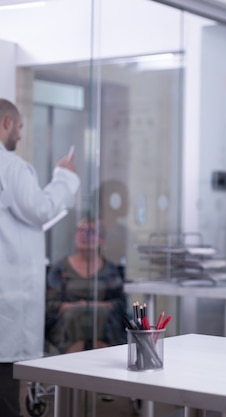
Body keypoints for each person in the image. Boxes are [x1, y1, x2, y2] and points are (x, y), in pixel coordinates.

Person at [0, 98, 79, 417]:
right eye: (19, 128)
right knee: (4, 397)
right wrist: (64, 178)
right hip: (7, 298)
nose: (19, 135)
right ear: (7, 123)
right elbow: (41, 209)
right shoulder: (10, 166)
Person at [45, 217, 127, 354]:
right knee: (73, 314)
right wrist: (74, 306)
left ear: (101, 240)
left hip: (104, 329)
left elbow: (120, 303)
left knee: (101, 314)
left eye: (90, 232)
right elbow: (51, 304)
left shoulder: (111, 270)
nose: (84, 235)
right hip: (67, 325)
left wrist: (98, 306)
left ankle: (102, 362)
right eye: (81, 231)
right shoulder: (60, 268)